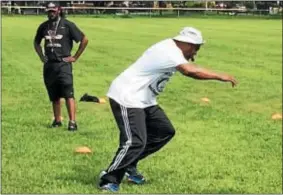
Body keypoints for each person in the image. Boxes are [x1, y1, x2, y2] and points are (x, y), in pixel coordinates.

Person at [98, 27, 237, 192]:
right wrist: (220, 76)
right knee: (134, 141)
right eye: (196, 48)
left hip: (144, 100)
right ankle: (109, 179)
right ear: (188, 44)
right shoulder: (168, 51)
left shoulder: (173, 50)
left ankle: (129, 164)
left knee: (164, 131)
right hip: (127, 96)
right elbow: (189, 71)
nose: (195, 54)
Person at [33, 2, 88, 131]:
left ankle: (72, 122)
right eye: (49, 11)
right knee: (54, 94)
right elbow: (36, 42)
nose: (51, 13)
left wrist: (75, 57)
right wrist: (41, 56)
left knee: (68, 92)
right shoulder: (44, 26)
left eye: (53, 11)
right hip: (50, 65)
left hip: (63, 64)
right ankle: (57, 120)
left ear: (59, 10)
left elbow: (84, 39)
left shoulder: (68, 25)